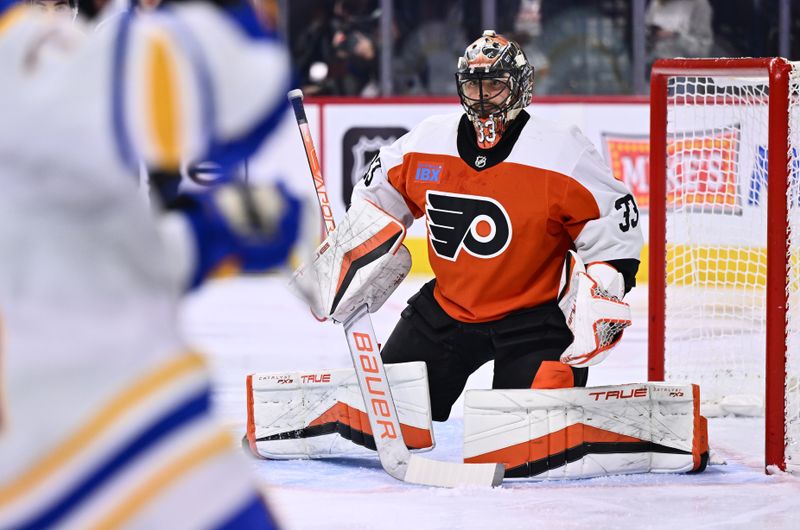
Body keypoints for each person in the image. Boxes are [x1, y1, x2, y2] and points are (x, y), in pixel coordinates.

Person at [0, 0, 315, 528]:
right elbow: (238, 83)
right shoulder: (26, 64)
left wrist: (210, 232)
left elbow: (76, 260)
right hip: (106, 445)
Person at [301, 30, 643, 422]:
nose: (482, 98)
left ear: (519, 87)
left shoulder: (561, 151)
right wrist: (346, 256)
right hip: (447, 310)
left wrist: (605, 290)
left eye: (494, 86)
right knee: (385, 416)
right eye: (473, 86)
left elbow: (613, 222)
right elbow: (377, 199)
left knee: (525, 439)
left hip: (535, 318)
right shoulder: (428, 140)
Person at [645, 0, 714, 62]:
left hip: (682, 68)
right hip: (652, 63)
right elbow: (643, 37)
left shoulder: (700, 5)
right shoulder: (656, 2)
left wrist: (675, 36)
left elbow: (702, 52)